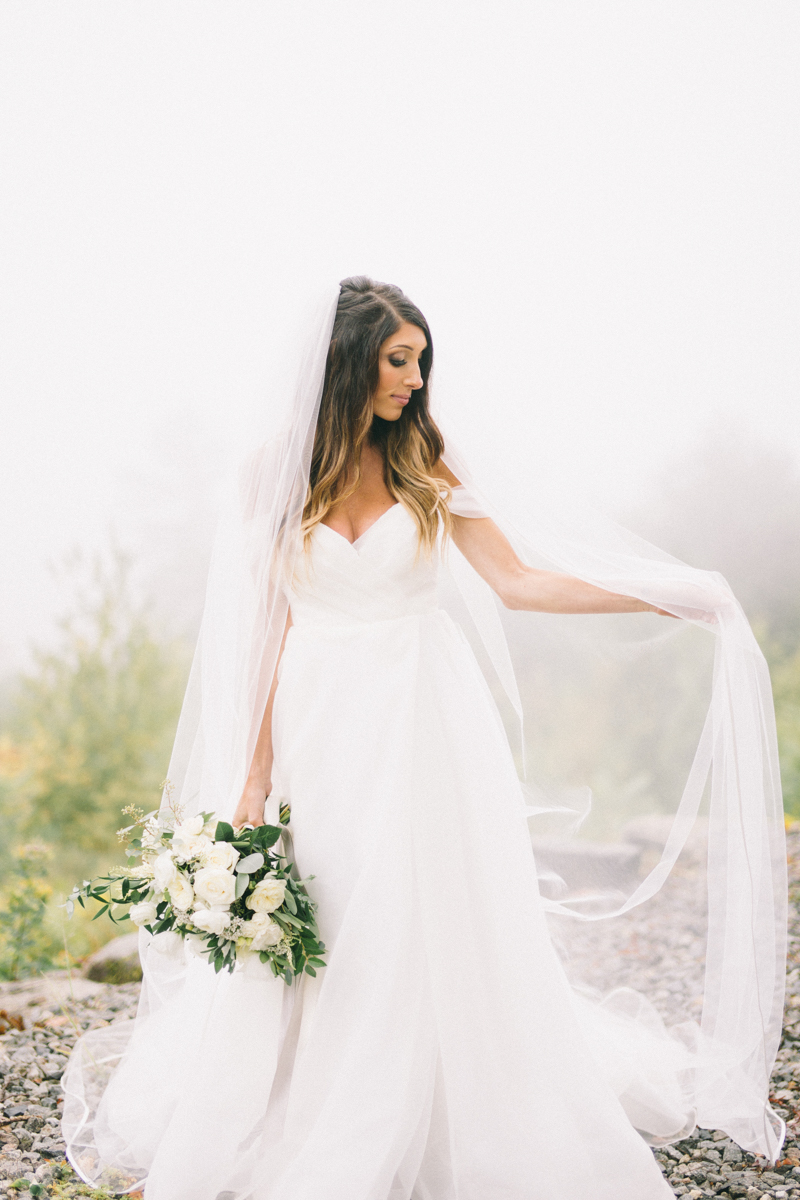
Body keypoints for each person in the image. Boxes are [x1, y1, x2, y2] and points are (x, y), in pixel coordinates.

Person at [62, 277, 786, 1200]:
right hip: (320, 722)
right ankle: (311, 1093)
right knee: (330, 902)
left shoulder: (429, 461)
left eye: (420, 359)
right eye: (397, 359)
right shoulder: (272, 474)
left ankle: (434, 1093)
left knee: (421, 901)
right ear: (346, 362)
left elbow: (518, 582)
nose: (414, 377)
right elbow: (264, 633)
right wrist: (252, 773)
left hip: (423, 719)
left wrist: (663, 593)